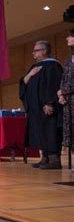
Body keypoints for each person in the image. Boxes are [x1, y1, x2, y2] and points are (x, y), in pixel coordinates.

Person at [20, 41, 63, 169]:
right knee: (40, 132)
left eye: (36, 50)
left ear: (44, 51)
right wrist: (31, 74)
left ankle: (54, 160)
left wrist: (50, 103)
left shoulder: (53, 66)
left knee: (50, 132)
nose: (33, 53)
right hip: (35, 109)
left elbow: (55, 85)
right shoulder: (34, 67)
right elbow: (23, 83)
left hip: (48, 107)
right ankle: (45, 158)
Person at [58, 29, 74, 168]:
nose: (67, 38)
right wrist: (61, 93)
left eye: (70, 36)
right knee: (71, 130)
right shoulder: (68, 60)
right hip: (68, 100)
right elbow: (64, 79)